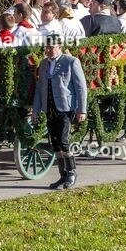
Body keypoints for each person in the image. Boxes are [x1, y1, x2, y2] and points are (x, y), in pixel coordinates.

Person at [31, 33, 87, 190]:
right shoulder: (43, 64)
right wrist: (36, 109)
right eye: (46, 47)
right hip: (49, 108)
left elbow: (81, 87)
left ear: (59, 47)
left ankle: (72, 172)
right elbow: (39, 88)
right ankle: (62, 175)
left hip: (65, 107)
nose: (48, 50)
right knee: (55, 143)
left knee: (63, 141)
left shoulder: (71, 62)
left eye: (51, 47)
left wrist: (81, 109)